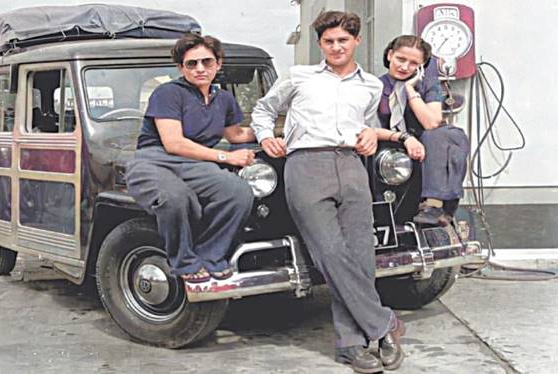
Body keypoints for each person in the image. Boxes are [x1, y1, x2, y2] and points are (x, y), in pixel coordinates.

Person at [251, 11, 405, 373]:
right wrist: (266, 136)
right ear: (320, 44)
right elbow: (263, 109)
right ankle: (384, 325)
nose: (336, 47)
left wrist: (370, 134)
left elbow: (369, 124)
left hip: (351, 167)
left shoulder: (371, 85)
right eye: (329, 41)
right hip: (306, 166)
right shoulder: (299, 77)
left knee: (361, 256)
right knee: (331, 254)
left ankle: (353, 343)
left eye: (343, 40)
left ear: (356, 41)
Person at [125, 33, 256, 283]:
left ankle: (210, 255)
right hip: (154, 160)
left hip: (194, 163)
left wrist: (277, 133)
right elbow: (173, 143)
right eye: (191, 64)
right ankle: (184, 262)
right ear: (180, 68)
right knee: (175, 198)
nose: (200, 69)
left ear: (218, 63)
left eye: (206, 62)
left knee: (238, 192)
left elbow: (237, 133)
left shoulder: (224, 99)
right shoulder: (168, 93)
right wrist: (226, 157)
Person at [375, 35, 470, 226]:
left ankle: (435, 204)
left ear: (422, 65)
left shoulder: (427, 85)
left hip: (427, 149)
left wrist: (410, 90)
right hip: (391, 146)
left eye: (413, 63)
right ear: (389, 55)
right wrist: (404, 138)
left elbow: (432, 123)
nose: (404, 67)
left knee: (446, 134)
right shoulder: (375, 85)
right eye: (400, 59)